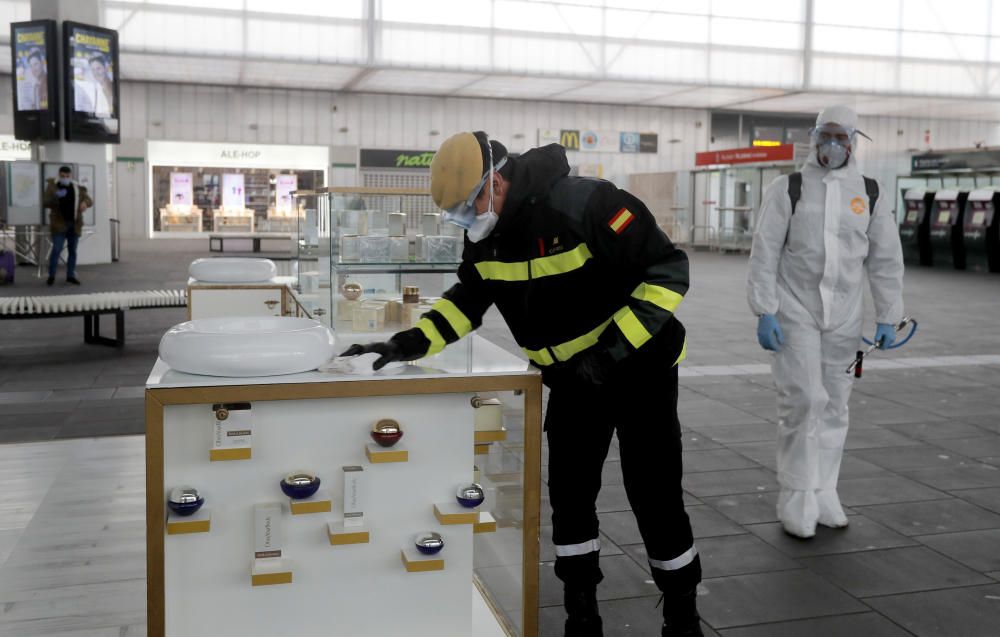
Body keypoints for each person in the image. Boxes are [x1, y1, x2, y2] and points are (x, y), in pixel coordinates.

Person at [343, 132, 702, 636]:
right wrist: (406, 343)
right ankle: (581, 607)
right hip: (574, 382)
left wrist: (608, 354)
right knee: (570, 496)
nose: (465, 220)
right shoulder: (487, 238)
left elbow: (668, 273)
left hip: (642, 371)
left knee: (655, 492)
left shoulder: (588, 204)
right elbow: (466, 302)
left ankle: (682, 609)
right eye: (456, 214)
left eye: (469, 206)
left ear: (495, 180)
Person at [746, 105, 904, 539]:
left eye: (841, 137)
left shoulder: (870, 192)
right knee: (803, 400)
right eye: (825, 135)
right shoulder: (789, 188)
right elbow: (765, 253)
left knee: (836, 402)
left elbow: (886, 258)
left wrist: (889, 315)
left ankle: (824, 489)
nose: (832, 145)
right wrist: (765, 309)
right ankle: (796, 495)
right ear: (814, 137)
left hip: (845, 317)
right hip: (795, 309)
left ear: (854, 141)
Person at [43, 165, 92, 286]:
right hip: (59, 224)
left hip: (74, 224)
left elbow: (90, 200)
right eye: (62, 176)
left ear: (71, 176)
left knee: (72, 251)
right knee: (56, 250)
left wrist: (85, 203)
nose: (65, 178)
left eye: (67, 176)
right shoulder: (52, 186)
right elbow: (45, 202)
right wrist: (56, 197)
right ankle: (51, 276)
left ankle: (70, 275)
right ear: (59, 175)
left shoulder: (77, 187)